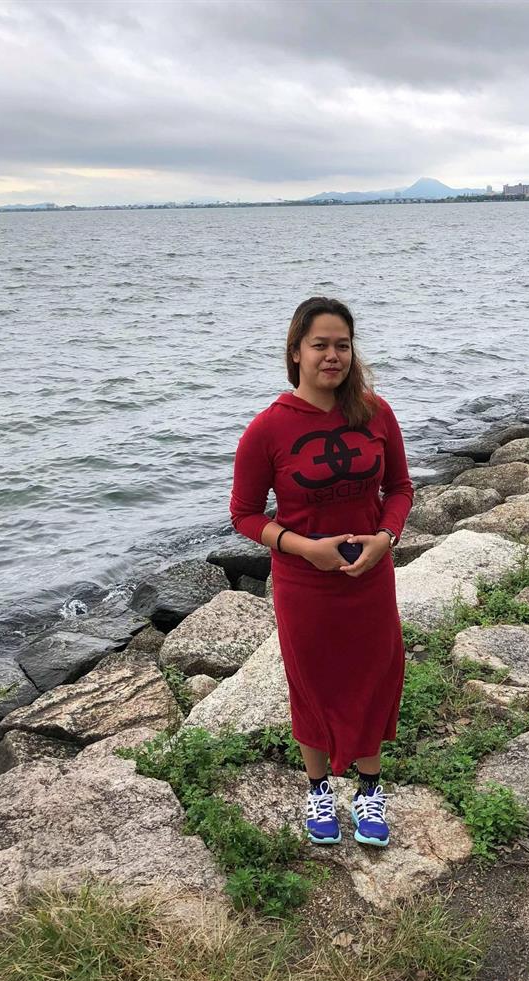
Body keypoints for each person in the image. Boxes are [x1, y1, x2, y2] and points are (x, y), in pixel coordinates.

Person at [229, 296, 414, 848]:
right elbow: (244, 515)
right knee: (311, 684)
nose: (332, 356)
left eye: (342, 345)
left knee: (375, 677)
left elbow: (400, 488)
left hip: (369, 577)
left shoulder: (375, 413)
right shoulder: (267, 429)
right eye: (320, 345)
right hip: (305, 583)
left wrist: (386, 538)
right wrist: (304, 548)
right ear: (296, 352)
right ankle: (318, 791)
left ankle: (370, 790)